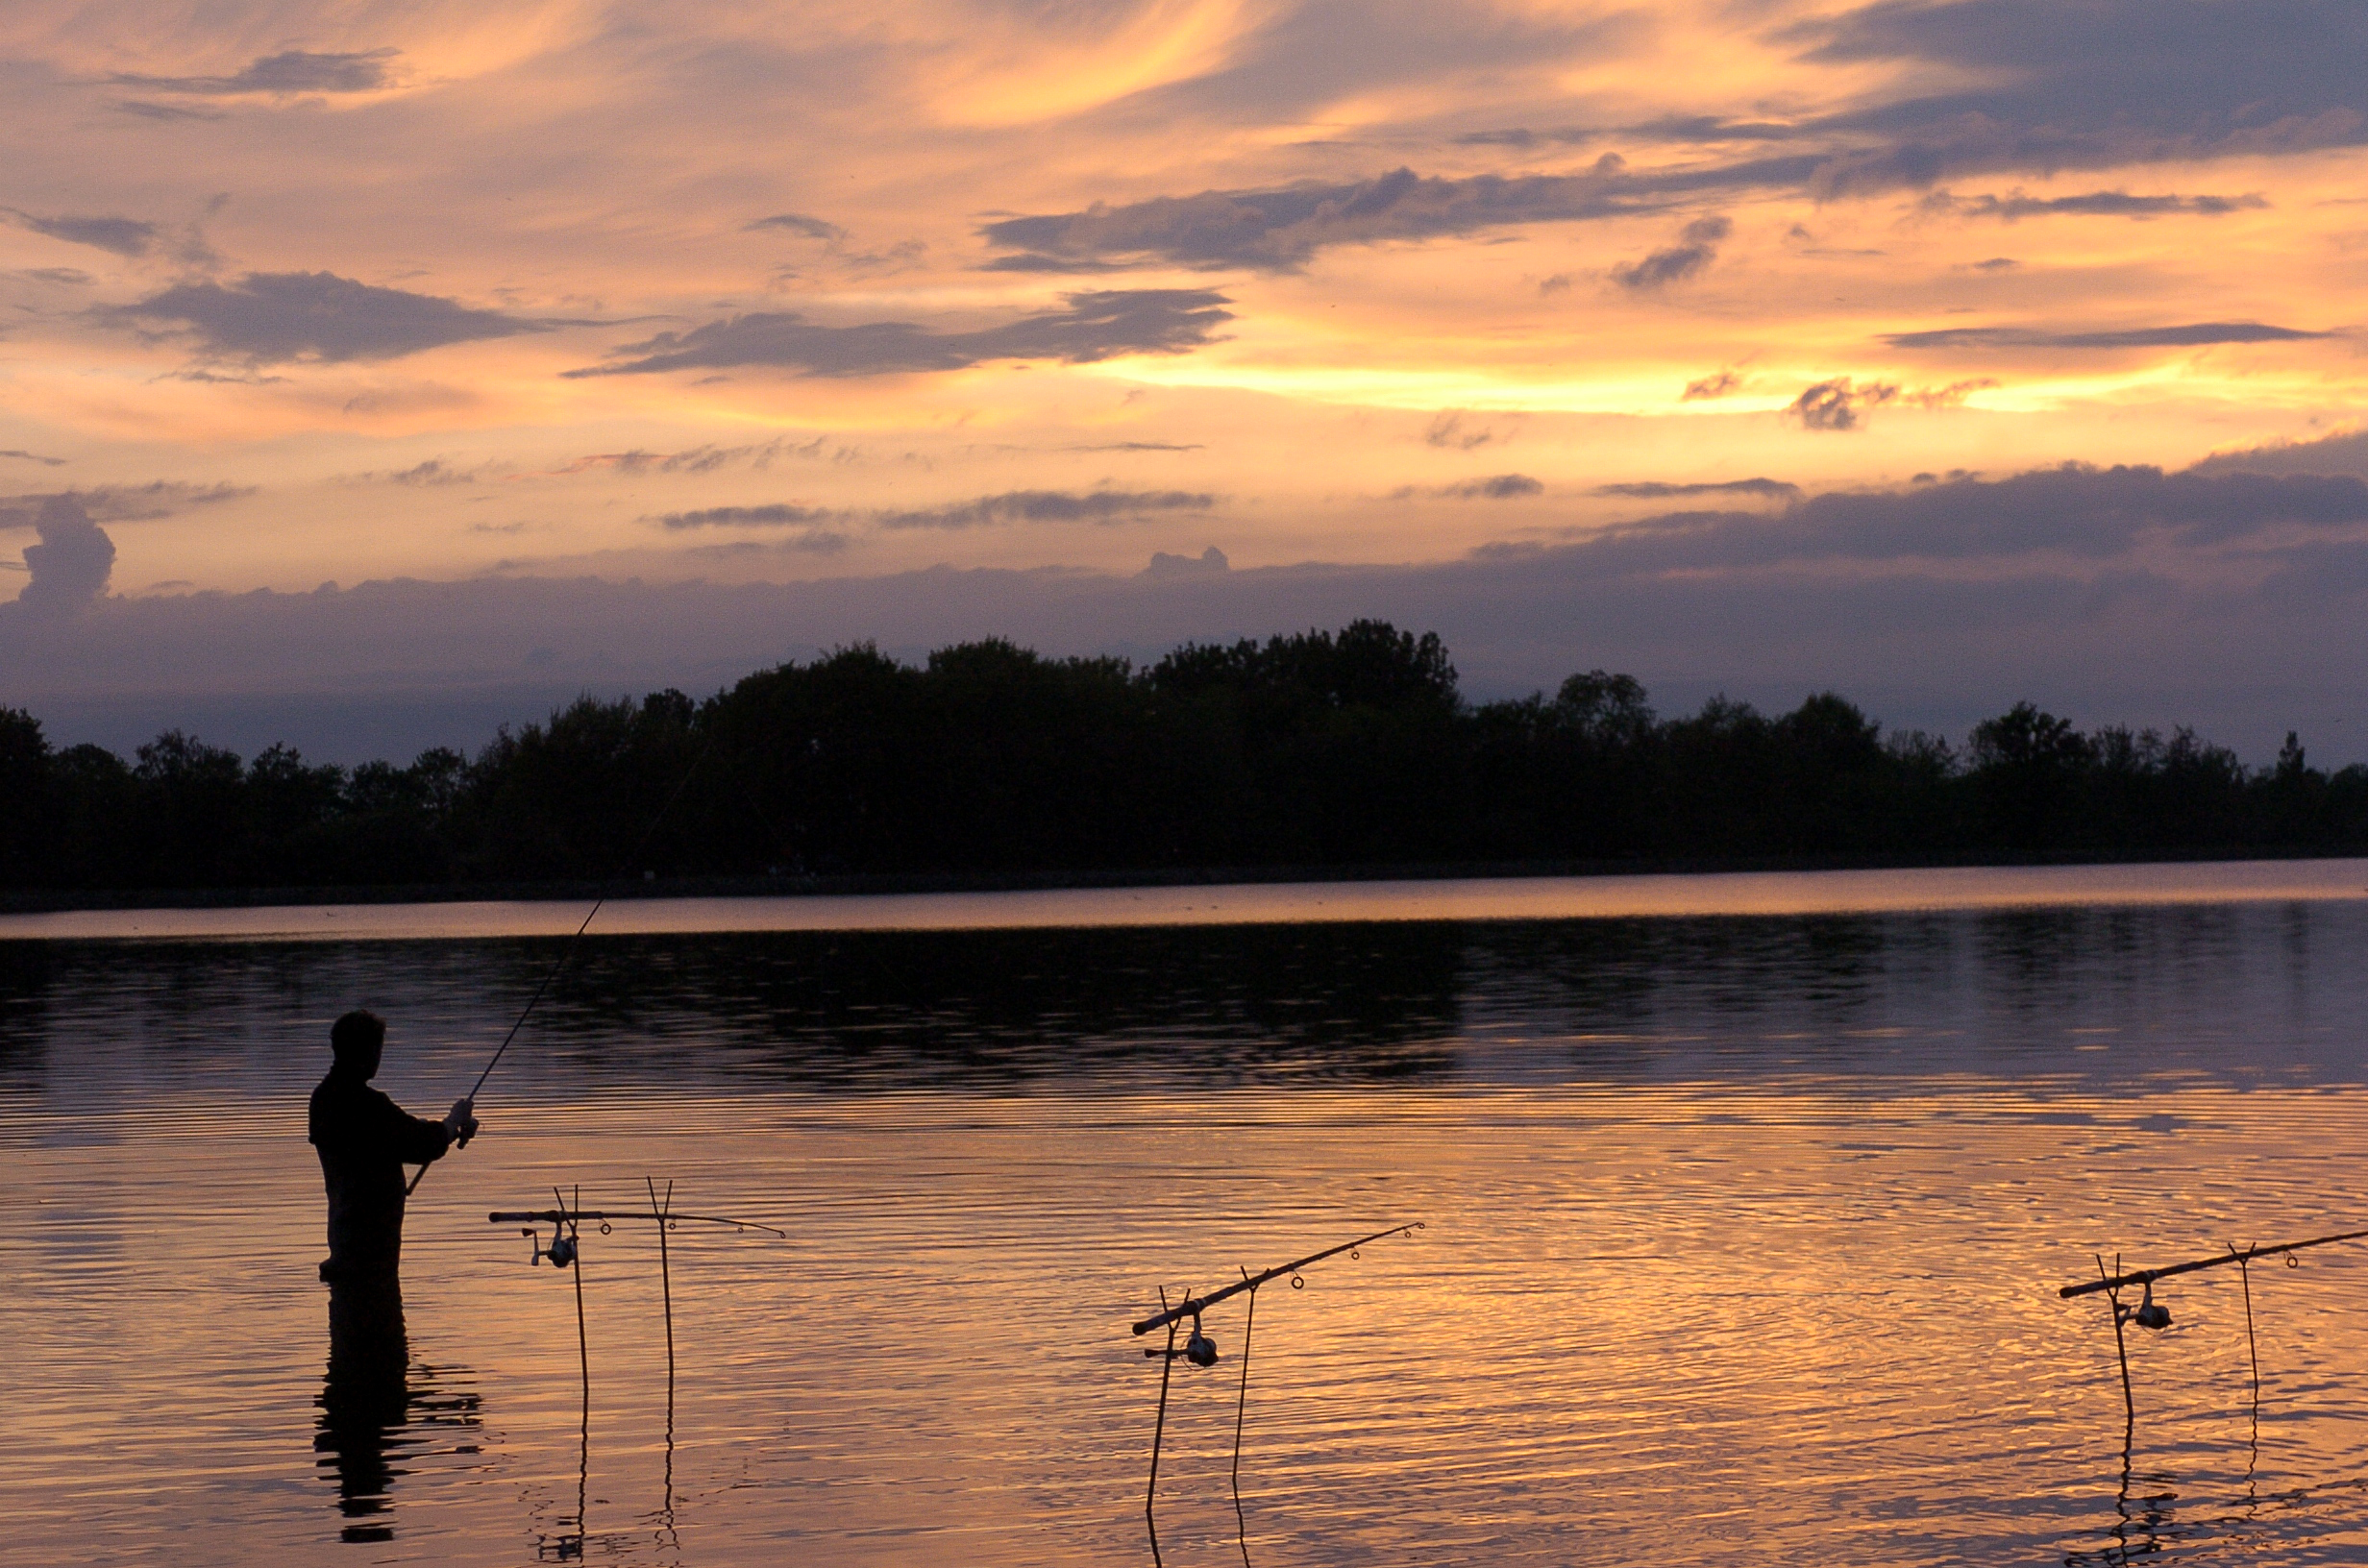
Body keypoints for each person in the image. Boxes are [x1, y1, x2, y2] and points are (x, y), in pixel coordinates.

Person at [308, 1008, 479, 1539]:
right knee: (380, 1359)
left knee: (358, 1364)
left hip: (347, 1252)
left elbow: (391, 1146)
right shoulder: (363, 1104)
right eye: (378, 1049)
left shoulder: (324, 1100)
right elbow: (418, 1142)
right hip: (370, 1262)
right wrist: (454, 1123)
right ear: (365, 1053)